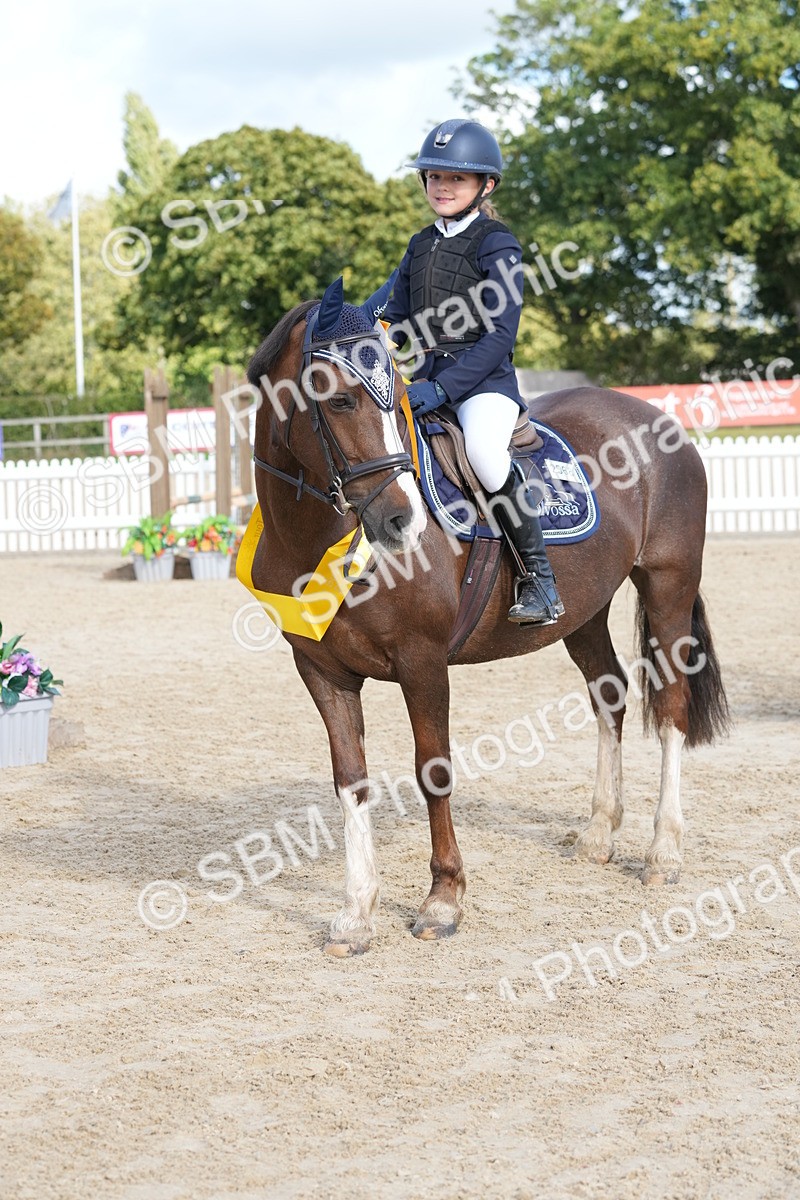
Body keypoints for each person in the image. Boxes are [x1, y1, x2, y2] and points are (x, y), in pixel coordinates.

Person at [382, 118, 564, 626]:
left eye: (455, 179)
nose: (442, 187)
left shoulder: (496, 242)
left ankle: (540, 581)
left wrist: (441, 388)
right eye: (434, 177)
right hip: (425, 381)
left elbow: (501, 336)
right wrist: (348, 325)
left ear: (484, 186)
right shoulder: (421, 244)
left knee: (484, 453)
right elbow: (391, 310)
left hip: (483, 386)